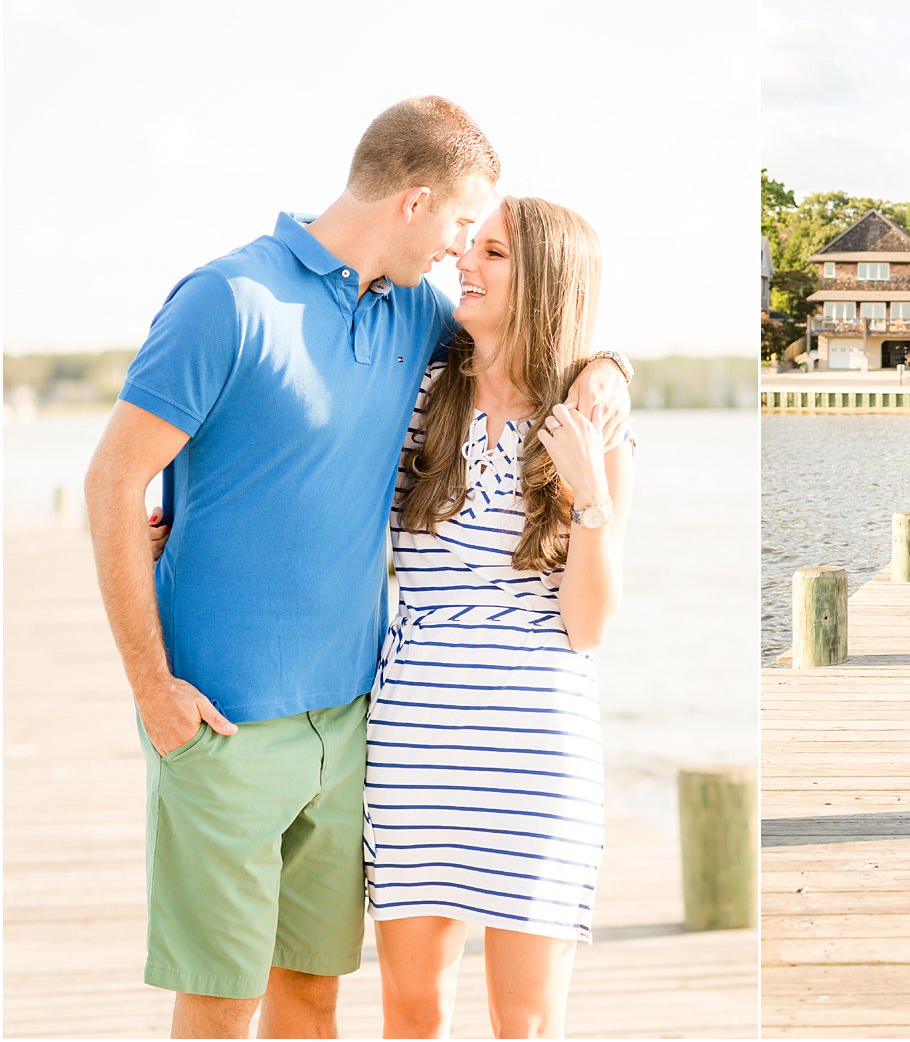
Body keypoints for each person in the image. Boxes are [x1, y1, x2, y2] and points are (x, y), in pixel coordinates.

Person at [84, 96, 631, 1040]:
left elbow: (547, 335)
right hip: (225, 713)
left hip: (355, 718)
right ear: (414, 204)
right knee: (221, 996)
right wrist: (152, 685)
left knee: (314, 992)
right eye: (465, 227)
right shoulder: (231, 299)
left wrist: (609, 369)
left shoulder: (416, 316)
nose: (464, 252)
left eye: (484, 241)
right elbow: (112, 484)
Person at [366, 197, 633, 1039]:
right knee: (412, 1011)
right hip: (413, 740)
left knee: (523, 1021)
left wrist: (589, 494)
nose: (464, 263)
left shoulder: (591, 422)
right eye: (468, 246)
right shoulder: (420, 393)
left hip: (533, 752)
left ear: (547, 279)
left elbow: (586, 625)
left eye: (493, 253)